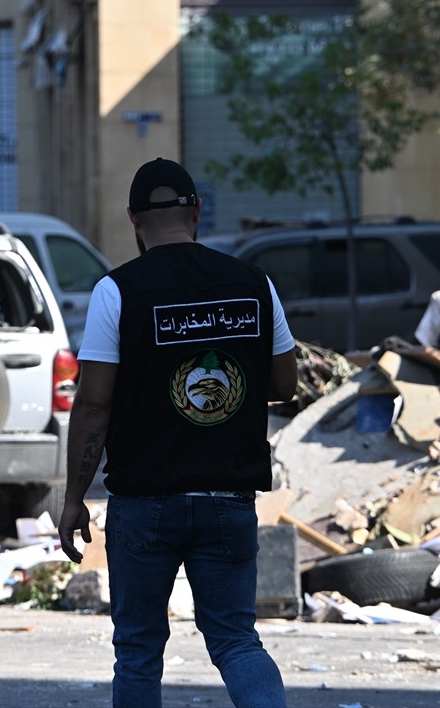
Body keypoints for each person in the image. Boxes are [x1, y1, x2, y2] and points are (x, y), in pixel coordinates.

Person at [58, 158, 299, 708]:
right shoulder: (254, 283)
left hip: (146, 503)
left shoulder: (117, 291)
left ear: (133, 219)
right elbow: (284, 383)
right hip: (228, 498)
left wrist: (74, 499)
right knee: (236, 640)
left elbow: (93, 404)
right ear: (197, 211)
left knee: (138, 650)